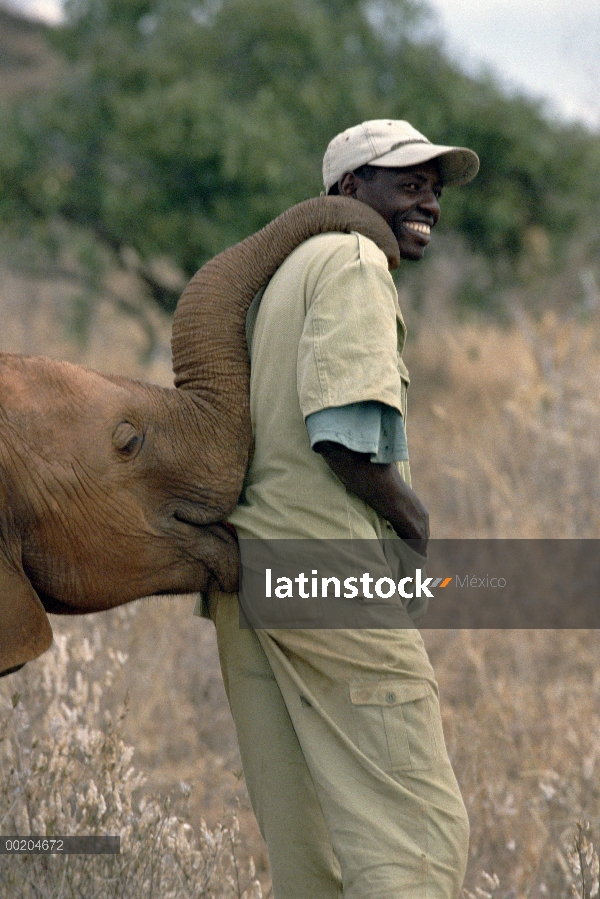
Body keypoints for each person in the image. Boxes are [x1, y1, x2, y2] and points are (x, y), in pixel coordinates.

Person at [197, 119, 479, 899]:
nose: (428, 199)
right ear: (350, 190)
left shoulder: (282, 275)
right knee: (414, 840)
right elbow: (346, 436)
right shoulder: (354, 259)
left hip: (251, 579)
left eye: (435, 185)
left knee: (308, 850)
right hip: (329, 575)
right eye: (407, 180)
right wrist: (414, 522)